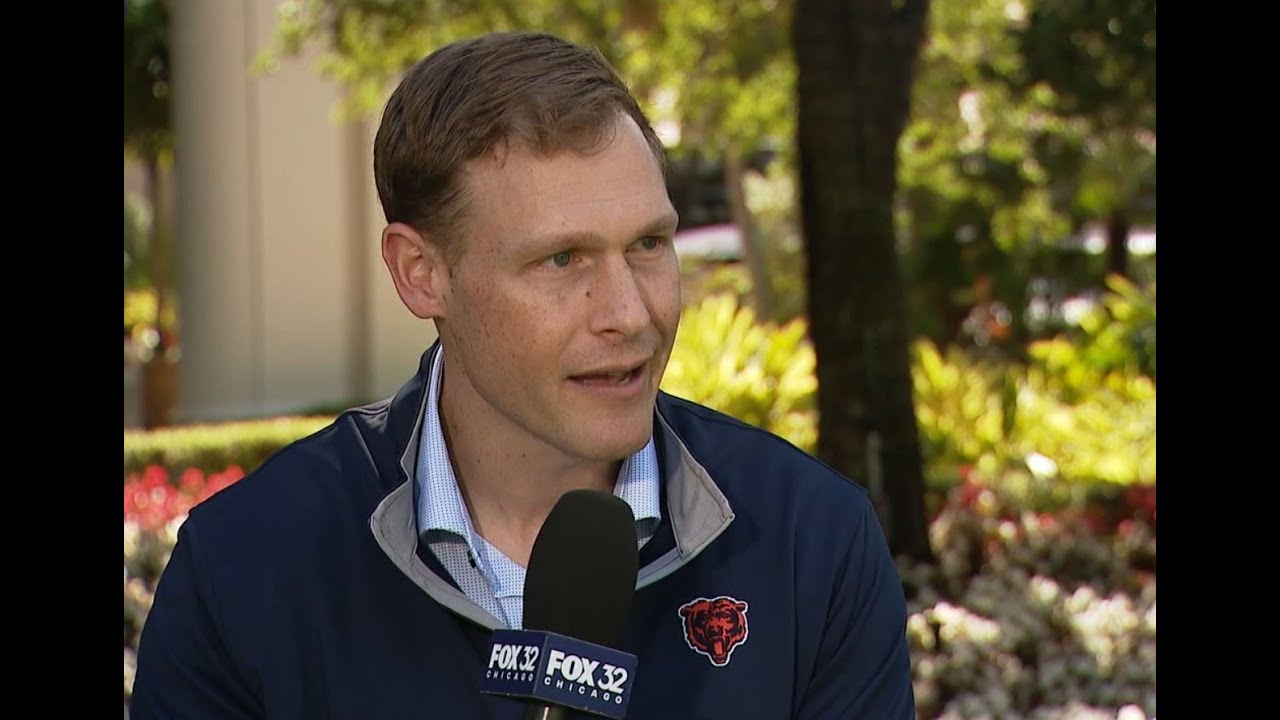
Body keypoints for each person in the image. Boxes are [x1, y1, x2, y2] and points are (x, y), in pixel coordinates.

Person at [130, 30, 915, 719]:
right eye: (562, 259)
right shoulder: (245, 570)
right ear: (420, 274)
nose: (629, 314)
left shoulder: (812, 545)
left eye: (648, 245)